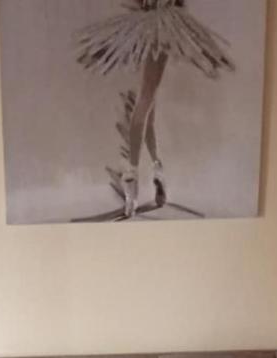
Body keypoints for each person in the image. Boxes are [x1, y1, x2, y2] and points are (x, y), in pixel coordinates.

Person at [76, 0, 234, 217]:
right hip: (160, 25)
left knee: (146, 103)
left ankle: (137, 175)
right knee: (147, 103)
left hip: (154, 26)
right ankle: (150, 171)